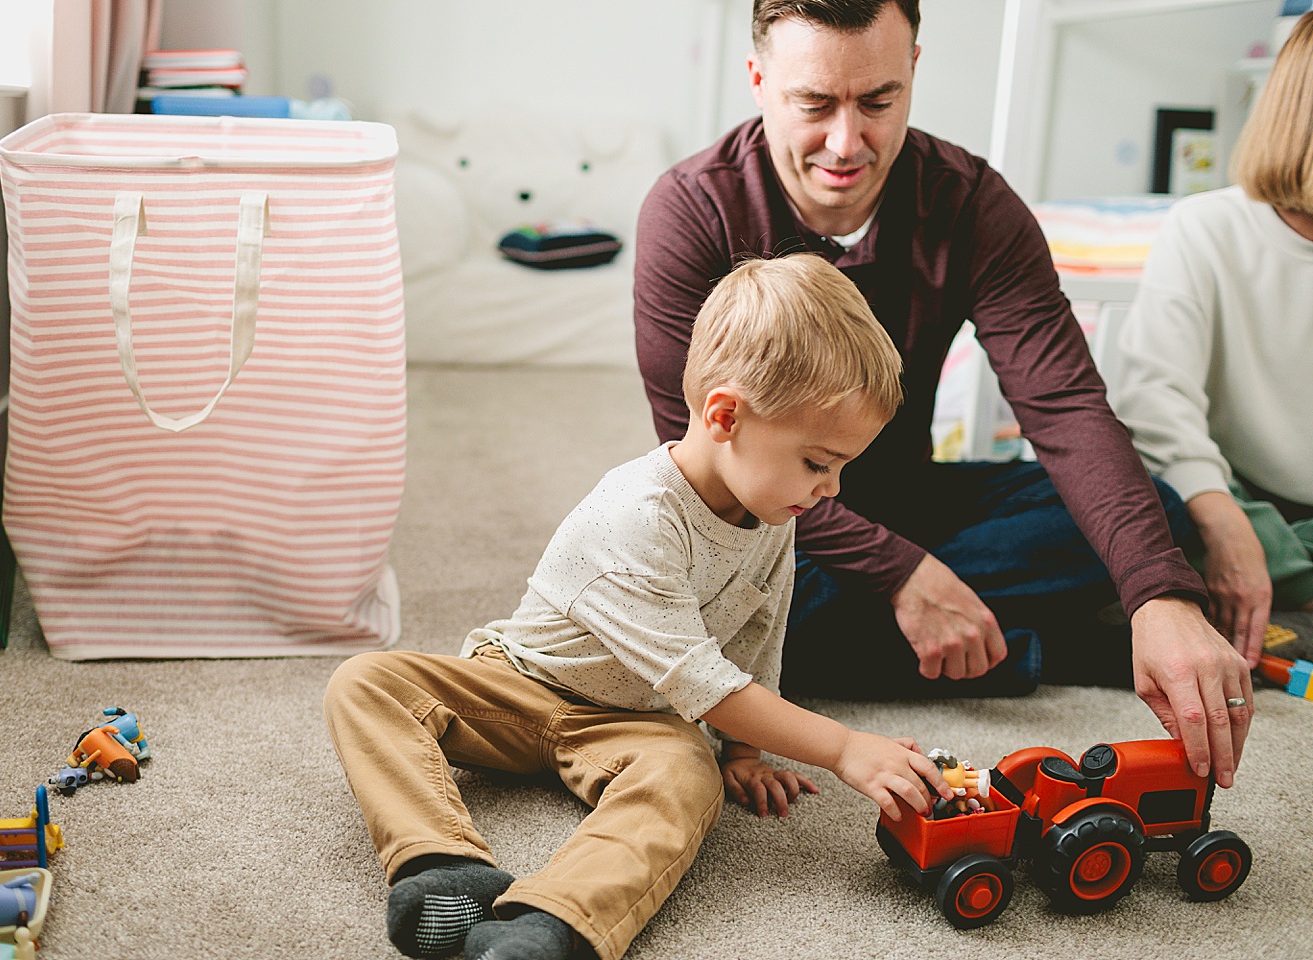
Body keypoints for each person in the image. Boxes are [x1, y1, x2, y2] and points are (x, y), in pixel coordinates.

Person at [633, 0, 1252, 789]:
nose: (846, 143)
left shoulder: (971, 202)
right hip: (760, 524)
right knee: (708, 615)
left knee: (1155, 520)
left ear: (915, 70)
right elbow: (706, 461)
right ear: (759, 81)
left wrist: (1160, 596)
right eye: (815, 105)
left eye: (878, 101)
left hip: (906, 494)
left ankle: (949, 630)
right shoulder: (691, 209)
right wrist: (899, 573)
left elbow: (1064, 408)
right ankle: (1031, 648)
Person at [323, 255, 954, 960]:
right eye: (817, 462)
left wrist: (743, 752)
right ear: (724, 415)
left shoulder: (775, 514)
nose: (832, 488)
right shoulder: (636, 514)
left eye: (842, 467)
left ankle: (553, 923)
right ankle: (439, 866)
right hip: (523, 684)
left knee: (689, 777)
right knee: (366, 683)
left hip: (639, 724)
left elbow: (756, 634)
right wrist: (842, 748)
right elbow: (704, 682)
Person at [1115, 11, 1313, 670]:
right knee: (1151, 516)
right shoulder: (1207, 228)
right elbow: (1155, 399)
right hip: (1233, 498)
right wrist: (1222, 514)